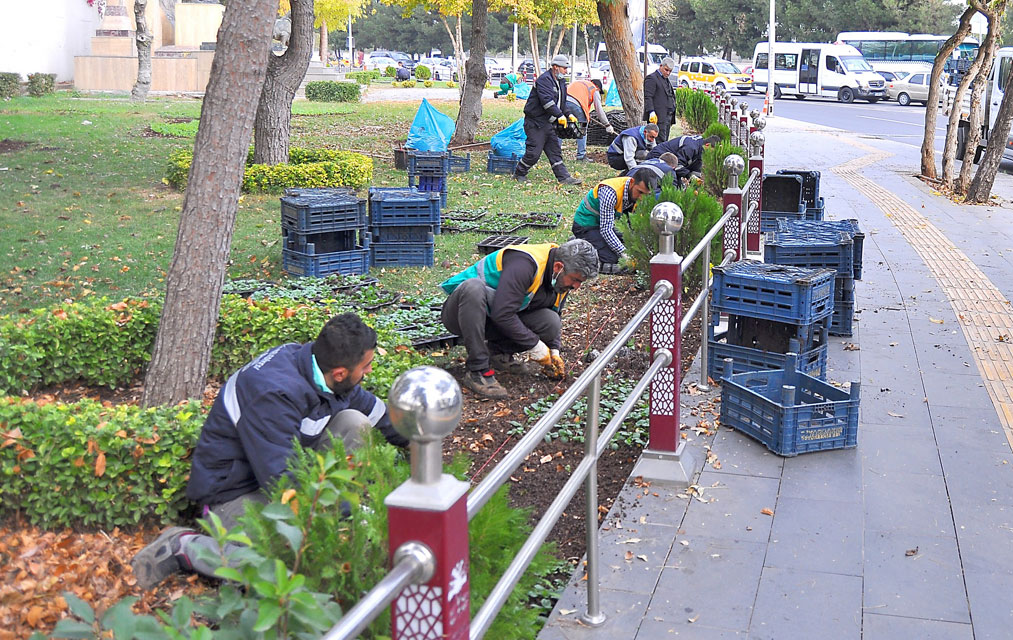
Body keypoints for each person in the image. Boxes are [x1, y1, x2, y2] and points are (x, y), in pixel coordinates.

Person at [130, 314, 408, 588]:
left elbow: (373, 411)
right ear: (340, 373)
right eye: (367, 366)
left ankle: (327, 518)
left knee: (354, 423)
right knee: (283, 559)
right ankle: (184, 546)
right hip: (233, 493)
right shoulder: (273, 395)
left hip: (283, 471)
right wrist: (354, 513)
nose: (369, 371)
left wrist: (415, 440)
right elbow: (282, 483)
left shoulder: (319, 369)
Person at [440, 239, 599, 398]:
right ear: (558, 267)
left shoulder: (561, 277)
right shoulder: (525, 264)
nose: (576, 286)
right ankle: (478, 371)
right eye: (576, 280)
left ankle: (497, 353)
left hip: (494, 319)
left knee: (551, 322)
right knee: (473, 288)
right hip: (462, 313)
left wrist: (554, 351)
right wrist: (535, 345)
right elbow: (503, 314)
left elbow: (555, 314)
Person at [515, 54, 582, 185]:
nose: (566, 71)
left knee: (555, 151)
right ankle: (519, 173)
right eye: (564, 68)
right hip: (535, 123)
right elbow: (547, 102)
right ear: (555, 67)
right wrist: (559, 116)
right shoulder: (544, 80)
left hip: (548, 123)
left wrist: (568, 114)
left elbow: (561, 101)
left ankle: (564, 178)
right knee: (534, 152)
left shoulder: (561, 81)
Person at [572, 174, 656, 274]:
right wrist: (624, 253)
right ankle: (578, 243)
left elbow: (636, 227)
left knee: (630, 246)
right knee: (611, 258)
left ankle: (588, 243)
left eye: (646, 194)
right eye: (640, 192)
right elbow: (606, 230)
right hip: (586, 224)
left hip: (608, 223)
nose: (642, 198)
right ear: (632, 182)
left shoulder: (635, 193)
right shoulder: (610, 193)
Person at [567, 78, 614, 161]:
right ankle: (581, 156)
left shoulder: (579, 82)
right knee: (582, 129)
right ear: (598, 87)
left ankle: (556, 154)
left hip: (563, 102)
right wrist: (607, 124)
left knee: (561, 127)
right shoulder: (594, 89)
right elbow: (599, 109)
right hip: (577, 105)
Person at [650, 134, 720, 185]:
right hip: (659, 157)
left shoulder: (700, 147)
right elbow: (678, 166)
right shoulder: (691, 147)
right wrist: (689, 175)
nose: (712, 154)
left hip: (671, 161)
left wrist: (697, 180)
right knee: (670, 183)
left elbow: (696, 168)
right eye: (712, 151)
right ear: (707, 145)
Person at [644, 57, 678, 143]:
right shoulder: (652, 78)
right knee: (659, 142)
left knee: (664, 141)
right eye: (666, 70)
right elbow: (648, 97)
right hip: (657, 117)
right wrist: (651, 112)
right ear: (661, 66)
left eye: (670, 71)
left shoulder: (666, 79)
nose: (668, 73)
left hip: (667, 117)